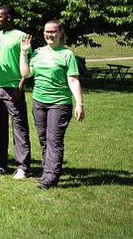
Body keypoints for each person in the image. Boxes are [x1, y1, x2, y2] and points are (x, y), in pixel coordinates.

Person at [20, 21, 84, 189]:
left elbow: (73, 79)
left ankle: (50, 177)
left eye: (53, 31)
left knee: (54, 140)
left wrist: (79, 103)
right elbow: (26, 73)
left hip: (59, 103)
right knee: (43, 140)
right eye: (46, 31)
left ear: (60, 33)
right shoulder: (38, 52)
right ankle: (47, 172)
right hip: (39, 102)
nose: (49, 34)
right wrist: (23, 53)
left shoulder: (67, 54)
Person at [0, 5, 32, 179]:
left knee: (19, 128)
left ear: (9, 17)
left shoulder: (21, 36)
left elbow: (27, 64)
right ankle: (0, 164)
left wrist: (20, 87)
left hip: (14, 90)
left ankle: (23, 166)